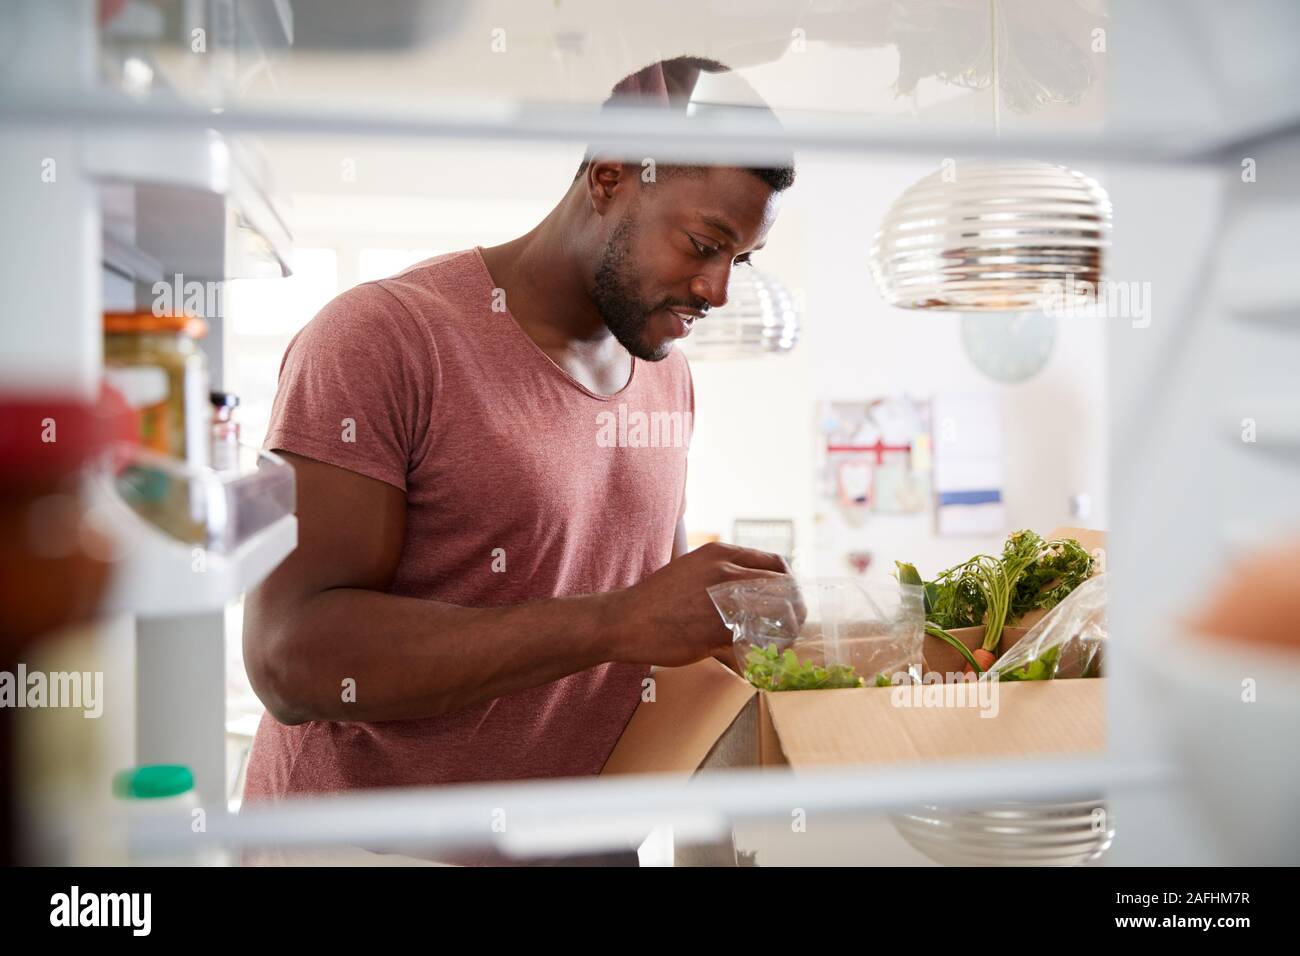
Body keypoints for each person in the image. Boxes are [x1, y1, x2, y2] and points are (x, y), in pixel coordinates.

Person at [240, 57, 796, 862]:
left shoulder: (668, 379)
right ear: (609, 178)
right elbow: (289, 658)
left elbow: (631, 636)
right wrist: (623, 618)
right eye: (704, 244)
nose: (717, 291)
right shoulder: (385, 337)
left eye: (738, 261)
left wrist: (720, 626)